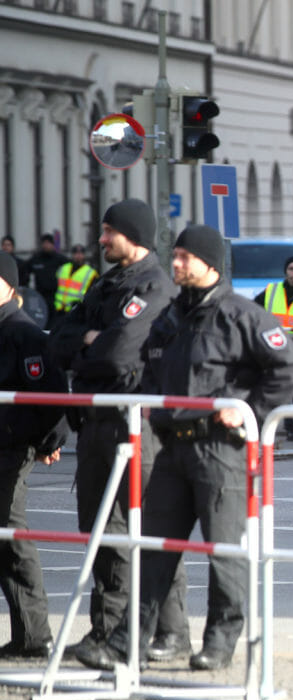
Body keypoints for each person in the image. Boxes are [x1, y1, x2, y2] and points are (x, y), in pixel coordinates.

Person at [74, 224, 293, 672]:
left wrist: (248, 409)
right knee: (155, 551)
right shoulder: (171, 316)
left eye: (184, 257)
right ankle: (126, 643)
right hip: (171, 450)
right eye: (174, 255)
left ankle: (219, 642)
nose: (175, 263)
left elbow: (289, 365)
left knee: (224, 553)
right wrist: (149, 404)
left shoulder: (239, 314)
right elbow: (150, 368)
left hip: (220, 451)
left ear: (210, 264)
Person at [47, 199, 190, 662]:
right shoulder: (105, 283)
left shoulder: (153, 286)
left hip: (135, 425)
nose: (101, 239)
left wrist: (90, 346)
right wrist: (88, 343)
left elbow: (118, 354)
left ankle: (170, 632)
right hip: (96, 422)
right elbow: (60, 340)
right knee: (101, 529)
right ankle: (107, 630)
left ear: (134, 235)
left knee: (144, 528)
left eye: (109, 231)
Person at [0, 252, 68, 659]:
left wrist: (50, 442)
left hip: (10, 446)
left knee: (10, 536)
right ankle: (27, 634)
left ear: (8, 286)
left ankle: (35, 635)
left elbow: (53, 394)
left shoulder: (24, 334)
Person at [255, 256, 293, 441]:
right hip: (274, 344)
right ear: (286, 271)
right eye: (291, 268)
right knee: (275, 386)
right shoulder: (272, 290)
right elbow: (255, 307)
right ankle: (277, 425)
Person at [22, 233, 68, 311]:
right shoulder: (36, 259)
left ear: (52, 245)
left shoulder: (60, 259)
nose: (46, 245)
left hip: (55, 296)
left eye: (48, 243)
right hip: (39, 295)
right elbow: (24, 272)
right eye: (44, 243)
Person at [52, 245, 99, 320]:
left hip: (77, 311)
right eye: (76, 253)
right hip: (59, 309)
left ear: (84, 256)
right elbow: (55, 286)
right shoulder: (63, 268)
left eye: (80, 254)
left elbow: (93, 295)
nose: (78, 256)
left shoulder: (90, 273)